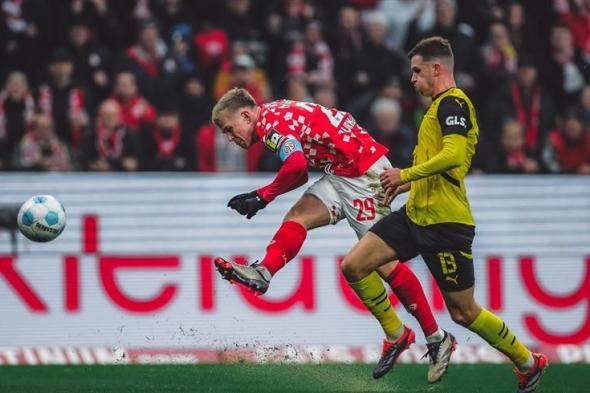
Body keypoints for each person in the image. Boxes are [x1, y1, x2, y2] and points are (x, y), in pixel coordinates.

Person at [340, 36, 548, 392]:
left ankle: (528, 362)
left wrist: (406, 174)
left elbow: (453, 155)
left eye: (417, 71)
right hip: (416, 214)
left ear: (437, 69)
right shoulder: (437, 108)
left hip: (447, 222)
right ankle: (398, 333)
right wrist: (406, 185)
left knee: (464, 312)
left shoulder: (454, 103)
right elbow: (437, 162)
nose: (412, 79)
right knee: (354, 265)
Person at [211, 87, 455, 383]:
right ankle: (264, 271)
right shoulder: (274, 112)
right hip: (343, 171)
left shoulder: (269, 125)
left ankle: (436, 337)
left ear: (246, 115)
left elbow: (298, 167)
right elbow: (300, 169)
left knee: (383, 264)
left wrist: (264, 195)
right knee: (298, 216)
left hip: (364, 176)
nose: (230, 137)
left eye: (229, 128)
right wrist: (265, 195)